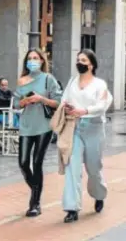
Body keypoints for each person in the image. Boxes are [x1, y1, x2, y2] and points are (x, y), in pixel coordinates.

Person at [60, 49, 112, 223]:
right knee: (72, 168)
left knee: (93, 168)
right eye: (78, 59)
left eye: (83, 60)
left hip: (94, 128)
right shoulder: (72, 82)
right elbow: (64, 99)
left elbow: (103, 104)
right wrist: (66, 107)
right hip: (74, 128)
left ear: (91, 64)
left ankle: (99, 195)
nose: (79, 63)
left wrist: (85, 110)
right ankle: (72, 208)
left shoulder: (100, 84)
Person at [14, 48, 62, 217]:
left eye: (36, 58)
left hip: (44, 125)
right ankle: (36, 188)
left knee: (37, 162)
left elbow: (58, 102)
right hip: (26, 125)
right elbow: (15, 104)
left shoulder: (48, 79)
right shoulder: (22, 81)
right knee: (23, 163)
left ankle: (35, 203)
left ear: (42, 61)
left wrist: (41, 99)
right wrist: (25, 101)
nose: (33, 60)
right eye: (30, 58)